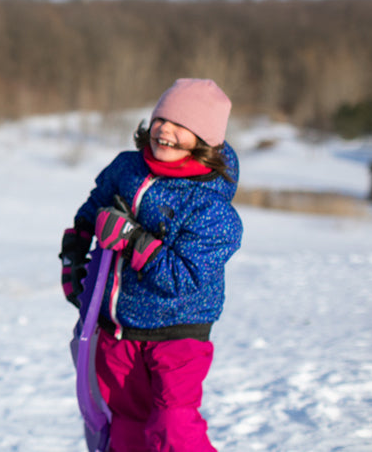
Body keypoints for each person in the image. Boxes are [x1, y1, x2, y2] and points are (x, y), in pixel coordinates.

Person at [59, 78, 243, 451]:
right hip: (118, 331)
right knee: (127, 426)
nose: (166, 131)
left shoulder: (211, 207)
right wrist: (74, 253)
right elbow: (94, 206)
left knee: (174, 426)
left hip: (177, 336)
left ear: (205, 140)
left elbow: (183, 275)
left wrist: (131, 239)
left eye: (182, 126)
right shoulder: (128, 169)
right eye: (161, 119)